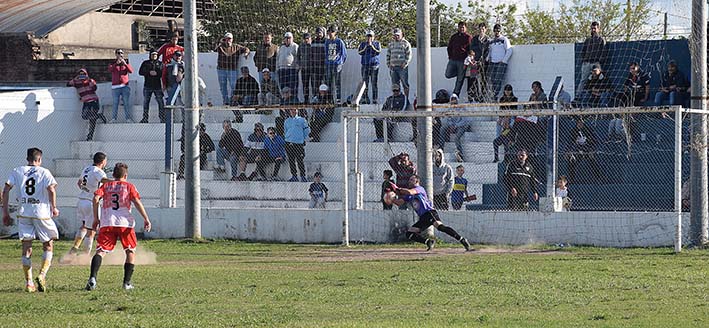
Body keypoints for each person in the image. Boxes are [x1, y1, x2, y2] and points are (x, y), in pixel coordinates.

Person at [85, 163, 151, 291]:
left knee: (101, 251)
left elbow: (95, 198)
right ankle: (126, 283)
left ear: (113, 175)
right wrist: (146, 218)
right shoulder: (129, 186)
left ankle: (92, 278)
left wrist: (96, 218)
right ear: (125, 175)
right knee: (130, 251)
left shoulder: (106, 186)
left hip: (107, 222)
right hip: (125, 224)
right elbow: (136, 202)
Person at [2, 148, 59, 292]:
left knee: (26, 247)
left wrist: (5, 212)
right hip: (41, 213)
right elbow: (51, 189)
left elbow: (6, 189)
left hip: (24, 213)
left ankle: (29, 283)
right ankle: (42, 275)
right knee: (48, 244)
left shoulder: (17, 170)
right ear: (39, 159)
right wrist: (54, 207)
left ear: (27, 159)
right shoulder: (44, 172)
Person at [390, 175, 471, 251]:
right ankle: (429, 242)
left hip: (429, 212)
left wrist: (398, 189)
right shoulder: (409, 195)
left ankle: (462, 239)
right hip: (423, 217)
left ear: (417, 181)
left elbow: (410, 192)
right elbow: (399, 202)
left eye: (412, 180)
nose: (409, 181)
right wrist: (391, 198)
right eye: (409, 180)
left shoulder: (419, 188)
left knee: (440, 227)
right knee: (409, 233)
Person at [71, 152, 110, 255]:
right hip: (91, 202)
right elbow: (104, 180)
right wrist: (116, 182)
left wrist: (86, 189)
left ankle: (75, 247)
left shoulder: (87, 168)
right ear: (103, 161)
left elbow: (79, 183)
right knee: (92, 230)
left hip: (81, 200)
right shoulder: (99, 171)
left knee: (84, 226)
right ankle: (85, 256)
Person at [67, 68, 104, 141]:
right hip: (86, 102)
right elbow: (68, 84)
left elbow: (94, 88)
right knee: (84, 116)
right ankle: (98, 116)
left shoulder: (90, 81)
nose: (82, 76)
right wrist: (76, 78)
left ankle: (90, 136)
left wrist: (89, 80)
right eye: (80, 74)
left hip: (94, 101)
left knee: (92, 121)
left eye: (83, 74)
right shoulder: (76, 82)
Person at [215, 32, 250, 106]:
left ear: (232, 39)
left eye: (229, 39)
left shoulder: (236, 47)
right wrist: (221, 41)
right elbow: (214, 48)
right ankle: (225, 101)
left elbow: (246, 49)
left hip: (232, 69)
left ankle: (232, 100)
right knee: (222, 86)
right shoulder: (220, 46)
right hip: (221, 69)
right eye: (226, 38)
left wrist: (246, 53)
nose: (228, 40)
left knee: (233, 86)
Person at [566, 118, 602, 184]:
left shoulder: (588, 130)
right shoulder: (573, 131)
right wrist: (570, 151)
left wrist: (591, 150)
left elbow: (594, 141)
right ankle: (571, 179)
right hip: (577, 151)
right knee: (572, 160)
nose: (580, 124)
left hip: (587, 150)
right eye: (579, 123)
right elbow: (570, 143)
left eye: (582, 123)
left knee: (592, 159)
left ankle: (598, 178)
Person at [577, 21, 607, 95]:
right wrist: (584, 60)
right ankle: (578, 97)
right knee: (583, 80)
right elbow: (583, 51)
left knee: (600, 78)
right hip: (587, 63)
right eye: (592, 28)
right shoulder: (588, 40)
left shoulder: (601, 40)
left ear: (598, 29)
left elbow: (604, 52)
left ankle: (599, 96)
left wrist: (599, 62)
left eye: (595, 28)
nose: (593, 30)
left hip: (596, 63)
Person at [446, 21, 473, 98]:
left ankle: (455, 94)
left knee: (460, 80)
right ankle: (460, 73)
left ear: (466, 28)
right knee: (448, 74)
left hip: (462, 61)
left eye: (463, 27)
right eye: (460, 27)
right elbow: (449, 47)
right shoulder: (454, 37)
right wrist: (450, 56)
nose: (462, 29)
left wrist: (469, 58)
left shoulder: (469, 37)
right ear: (458, 27)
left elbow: (471, 49)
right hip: (453, 60)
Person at [138, 49, 166, 123]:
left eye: (156, 55)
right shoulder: (145, 63)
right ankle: (145, 118)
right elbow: (140, 72)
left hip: (157, 86)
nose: (154, 56)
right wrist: (149, 72)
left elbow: (163, 74)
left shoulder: (160, 64)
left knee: (160, 102)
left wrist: (157, 73)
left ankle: (162, 118)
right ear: (150, 55)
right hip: (147, 86)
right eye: (153, 54)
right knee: (146, 102)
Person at [486, 24, 513, 100]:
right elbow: (490, 51)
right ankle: (492, 95)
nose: (496, 32)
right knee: (492, 80)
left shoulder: (504, 39)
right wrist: (488, 58)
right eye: (495, 30)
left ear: (500, 31)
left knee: (498, 80)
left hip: (501, 63)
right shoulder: (491, 41)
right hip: (492, 63)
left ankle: (495, 96)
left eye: (498, 30)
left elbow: (510, 50)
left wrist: (504, 60)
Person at [284, 108, 310, 182]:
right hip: (289, 143)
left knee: (300, 160)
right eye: (291, 110)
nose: (293, 111)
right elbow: (285, 131)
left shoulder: (302, 120)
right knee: (291, 160)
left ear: (297, 111)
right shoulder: (287, 121)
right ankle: (294, 176)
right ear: (289, 111)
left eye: (294, 110)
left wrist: (302, 138)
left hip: (298, 143)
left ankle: (303, 176)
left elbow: (307, 130)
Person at [108, 48, 134, 123]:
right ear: (116, 54)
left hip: (124, 86)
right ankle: (114, 118)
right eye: (118, 53)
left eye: (121, 53)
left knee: (126, 102)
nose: (120, 55)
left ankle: (128, 118)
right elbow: (110, 70)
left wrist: (125, 64)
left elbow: (131, 71)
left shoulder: (126, 63)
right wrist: (116, 63)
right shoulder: (112, 63)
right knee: (115, 103)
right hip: (115, 87)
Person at [324, 25, 347, 104]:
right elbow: (325, 52)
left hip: (337, 64)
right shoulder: (327, 42)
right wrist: (327, 61)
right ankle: (329, 99)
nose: (331, 33)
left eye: (332, 32)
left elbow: (344, 54)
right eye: (330, 32)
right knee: (328, 83)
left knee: (337, 83)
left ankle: (338, 99)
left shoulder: (339, 41)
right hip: (329, 64)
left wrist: (340, 62)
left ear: (335, 33)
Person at [494, 84, 517, 163]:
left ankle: (505, 132)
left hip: (511, 117)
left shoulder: (514, 99)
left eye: (509, 90)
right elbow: (501, 110)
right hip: (504, 117)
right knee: (498, 123)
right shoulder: (502, 99)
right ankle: (499, 135)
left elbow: (515, 111)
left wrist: (507, 116)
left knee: (511, 123)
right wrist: (501, 118)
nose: (507, 92)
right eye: (506, 90)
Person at [358, 30, 382, 104]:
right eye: (368, 36)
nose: (369, 38)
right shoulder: (363, 44)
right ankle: (365, 98)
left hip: (374, 66)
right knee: (365, 83)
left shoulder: (377, 43)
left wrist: (372, 47)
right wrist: (365, 47)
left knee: (374, 83)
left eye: (371, 36)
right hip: (365, 65)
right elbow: (359, 52)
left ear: (373, 37)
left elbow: (378, 52)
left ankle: (375, 99)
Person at [387, 28, 412, 97]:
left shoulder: (406, 43)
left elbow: (409, 55)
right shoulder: (391, 44)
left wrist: (405, 63)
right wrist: (389, 64)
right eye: (395, 35)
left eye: (398, 35)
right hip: (393, 67)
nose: (396, 37)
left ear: (401, 35)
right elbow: (388, 55)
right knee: (395, 85)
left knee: (405, 84)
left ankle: (406, 99)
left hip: (402, 68)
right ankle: (396, 99)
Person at [469, 22, 490, 101]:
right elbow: (471, 50)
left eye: (483, 29)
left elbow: (488, 51)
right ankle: (475, 96)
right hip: (474, 63)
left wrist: (483, 60)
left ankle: (483, 96)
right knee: (473, 78)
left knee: (483, 80)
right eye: (480, 29)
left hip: (484, 63)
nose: (481, 30)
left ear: (485, 30)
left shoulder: (488, 40)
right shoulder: (474, 39)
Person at [297, 32, 317, 104]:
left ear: (310, 38)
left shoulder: (313, 46)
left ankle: (315, 99)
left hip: (313, 68)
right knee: (305, 85)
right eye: (305, 39)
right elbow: (298, 56)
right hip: (304, 69)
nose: (306, 40)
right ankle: (306, 99)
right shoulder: (301, 46)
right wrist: (300, 65)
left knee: (314, 85)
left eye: (308, 38)